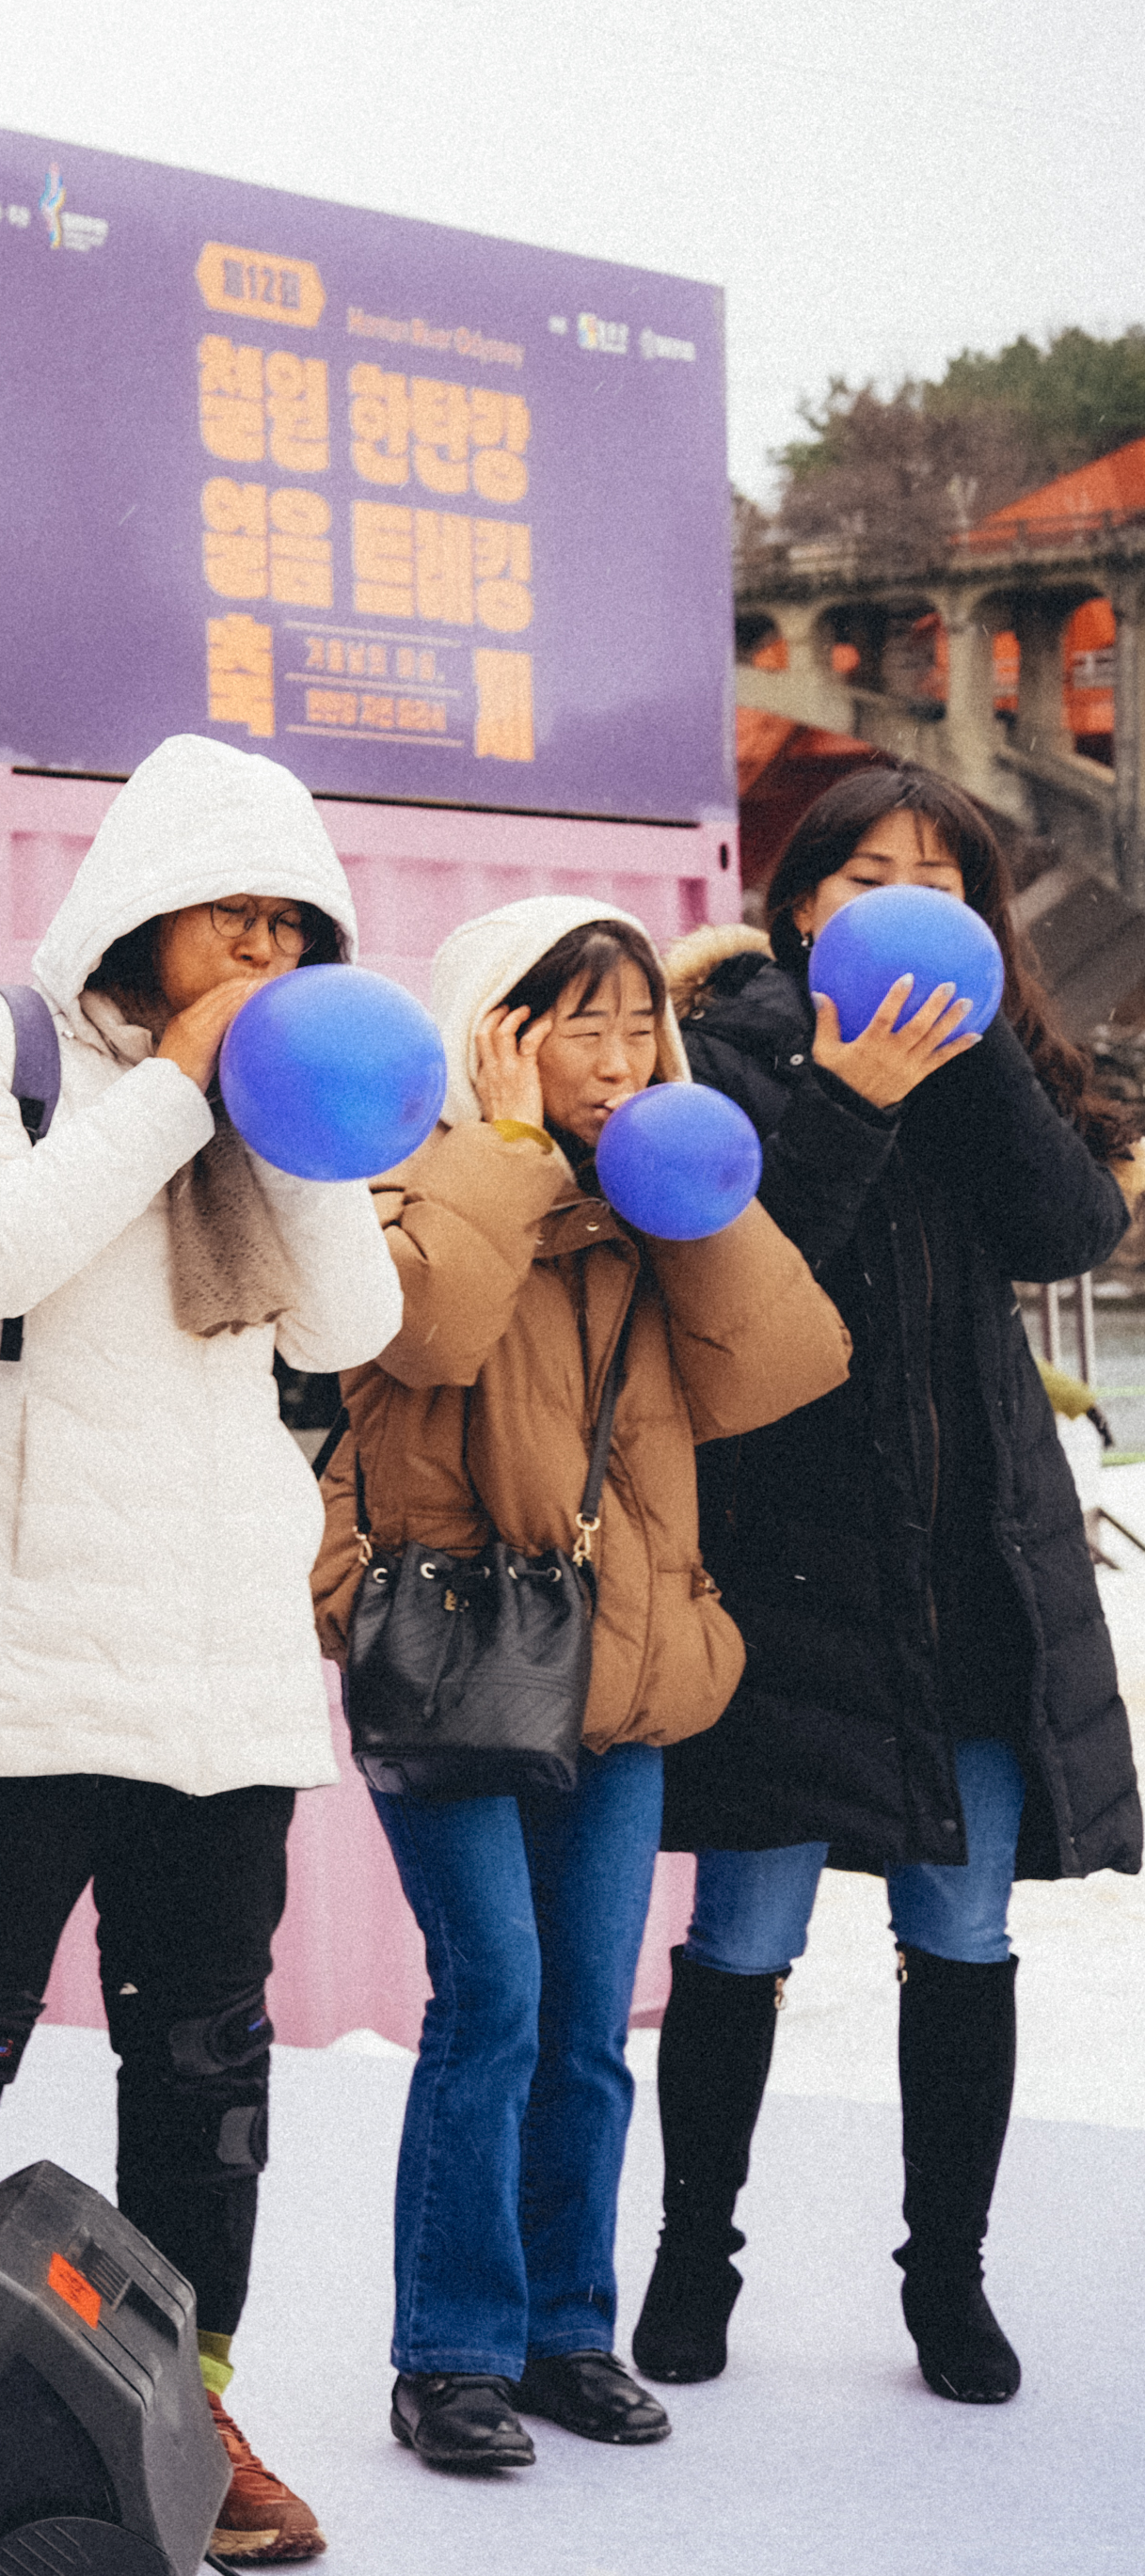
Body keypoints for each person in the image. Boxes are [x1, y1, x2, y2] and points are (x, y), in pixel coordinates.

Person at [0, 734, 398, 2566]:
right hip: (2, 1666)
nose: (260, 961)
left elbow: (359, 1314)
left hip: (212, 1670)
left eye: (288, 934)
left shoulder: (263, 1109)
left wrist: (290, 1127)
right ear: (140, 914)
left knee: (204, 2063)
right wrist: (171, 1087)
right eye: (230, 920)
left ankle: (185, 2402)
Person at [316, 901, 846, 2473]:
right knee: (497, 2000)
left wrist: (698, 1195)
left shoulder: (656, 1207)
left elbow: (787, 1367)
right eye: (579, 1028)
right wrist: (505, 1150)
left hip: (615, 1676)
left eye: (640, 1031)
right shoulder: (398, 1188)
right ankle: (451, 2353)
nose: (618, 1063)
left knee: (593, 2025)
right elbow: (420, 1336)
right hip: (456, 1657)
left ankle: (567, 2333)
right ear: (499, 1036)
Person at [644, 763, 1141, 2406]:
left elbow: (1068, 1231)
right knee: (744, 1934)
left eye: (943, 877)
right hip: (793, 1570)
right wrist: (852, 1091)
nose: (905, 903)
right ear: (799, 907)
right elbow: (738, 1272)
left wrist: (977, 1051)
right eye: (869, 877)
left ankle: (949, 2282)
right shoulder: (729, 1061)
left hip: (974, 1571)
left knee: (963, 1935)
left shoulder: (999, 1059)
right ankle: (691, 2264)